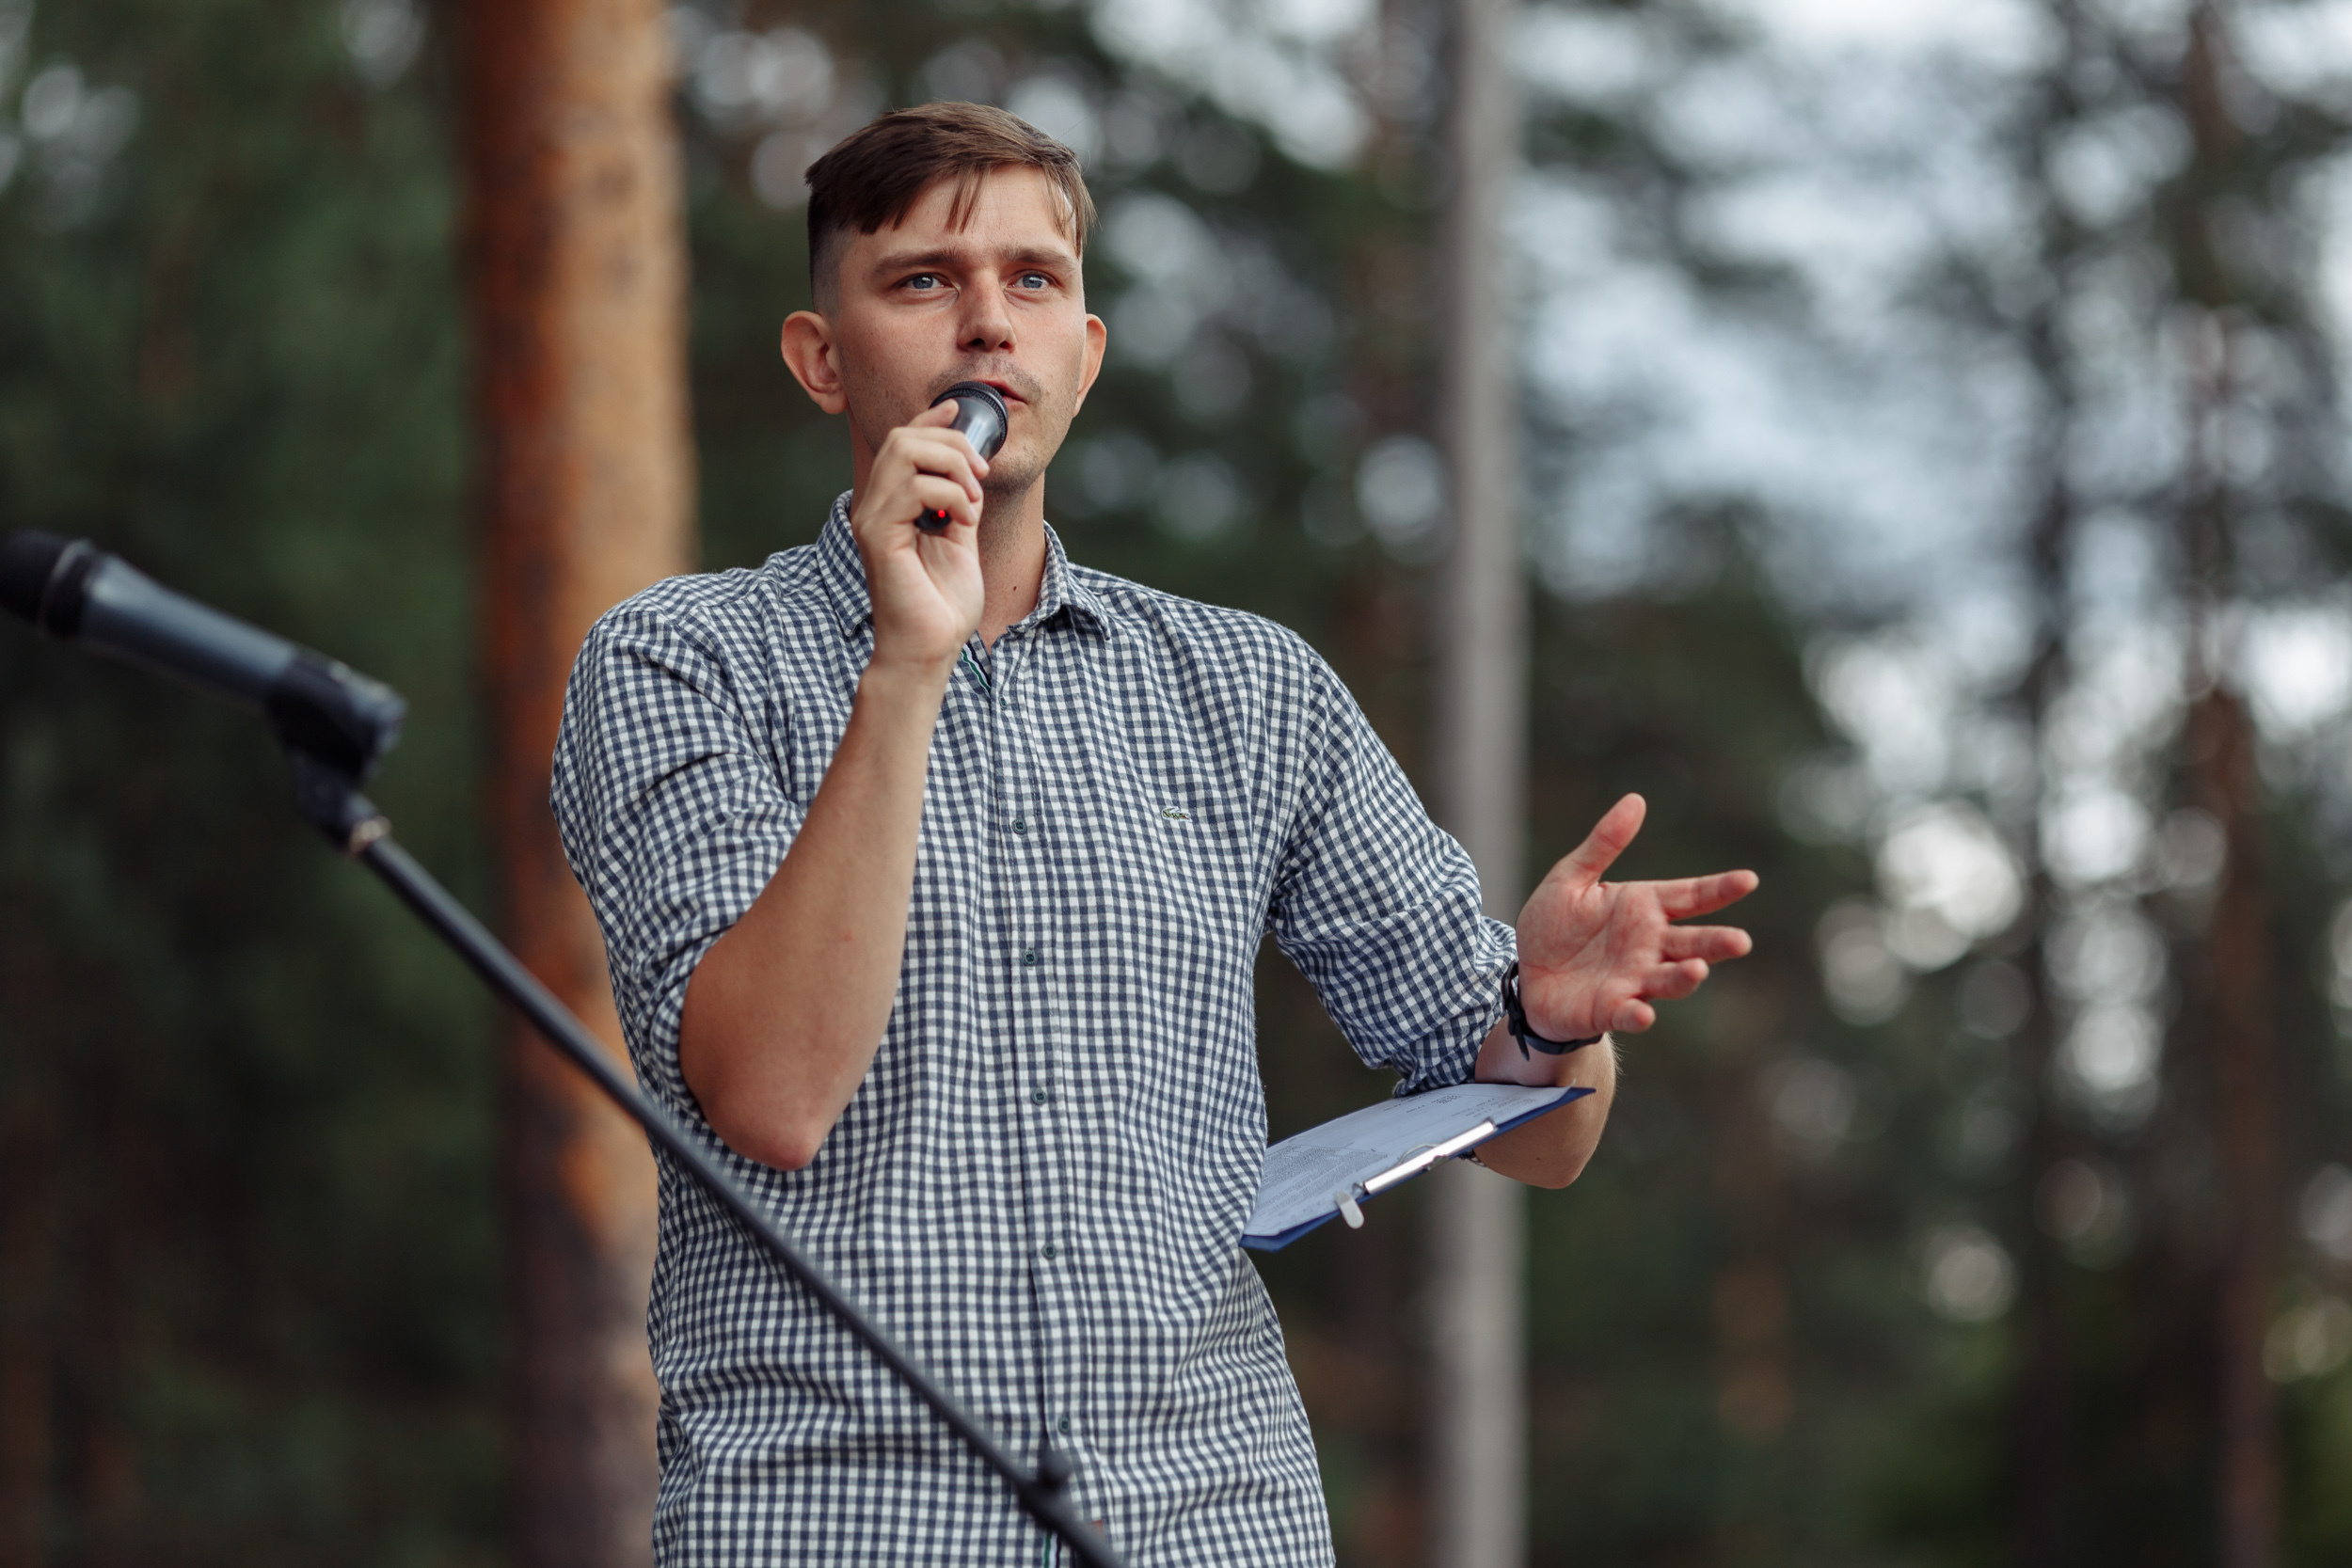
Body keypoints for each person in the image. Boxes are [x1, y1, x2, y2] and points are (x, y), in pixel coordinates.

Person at [551, 102, 1757, 1567]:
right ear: (822, 358)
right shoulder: (681, 661)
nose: (988, 323)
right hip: (837, 1523)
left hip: (1209, 1527)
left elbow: (1542, 1139)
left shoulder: (1247, 690)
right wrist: (905, 663)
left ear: (1085, 356)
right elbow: (772, 1096)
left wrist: (1549, 1024)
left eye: (1033, 282)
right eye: (925, 280)